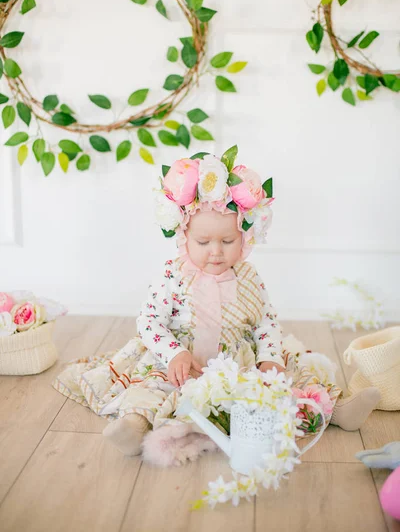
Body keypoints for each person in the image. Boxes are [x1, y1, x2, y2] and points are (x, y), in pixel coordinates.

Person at [53, 146, 380, 460]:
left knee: (289, 372)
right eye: (203, 241)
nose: (215, 251)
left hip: (239, 357)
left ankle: (335, 409)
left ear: (245, 239)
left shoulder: (248, 276)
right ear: (184, 236)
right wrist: (173, 353)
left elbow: (265, 321)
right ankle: (134, 425)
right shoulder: (174, 275)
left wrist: (268, 358)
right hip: (181, 361)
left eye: (227, 241)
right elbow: (149, 321)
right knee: (154, 385)